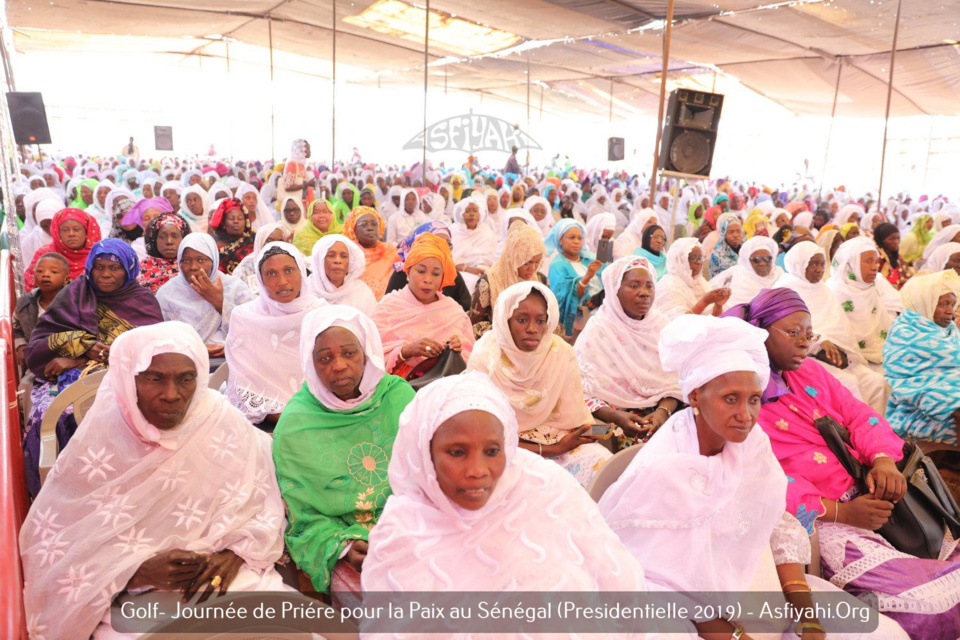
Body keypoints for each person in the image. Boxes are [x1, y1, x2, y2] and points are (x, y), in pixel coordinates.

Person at [599, 313, 908, 640]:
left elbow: (779, 528)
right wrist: (738, 637)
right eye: (730, 399)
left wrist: (808, 619)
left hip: (767, 597)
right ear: (694, 396)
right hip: (692, 620)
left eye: (755, 400)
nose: (746, 416)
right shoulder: (665, 470)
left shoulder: (752, 447)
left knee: (885, 634)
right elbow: (673, 592)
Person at [21, 322, 289, 640]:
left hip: (227, 582)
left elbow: (262, 501)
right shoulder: (101, 438)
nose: (172, 395)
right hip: (131, 600)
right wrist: (135, 573)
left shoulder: (218, 420)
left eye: (186, 379)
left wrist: (232, 558)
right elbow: (56, 549)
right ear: (129, 379)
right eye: (155, 378)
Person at [361, 372, 658, 628]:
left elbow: (613, 581)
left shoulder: (541, 484)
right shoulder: (402, 533)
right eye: (457, 452)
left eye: (492, 451)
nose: (477, 471)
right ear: (424, 453)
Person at [750, 287, 960, 639]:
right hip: (828, 519)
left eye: (809, 333)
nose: (804, 342)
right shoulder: (748, 395)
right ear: (759, 332)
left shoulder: (811, 374)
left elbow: (861, 415)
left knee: (942, 555)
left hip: (877, 494)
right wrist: (843, 514)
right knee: (926, 604)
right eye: (792, 332)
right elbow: (764, 480)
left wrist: (882, 461)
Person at [273, 305, 415, 594]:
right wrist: (344, 546)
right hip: (345, 539)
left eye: (349, 353)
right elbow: (303, 515)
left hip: (410, 527)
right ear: (310, 363)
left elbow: (429, 479)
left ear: (366, 353)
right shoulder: (297, 423)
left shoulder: (399, 398)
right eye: (324, 358)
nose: (337, 365)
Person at [22, 239, 163, 497]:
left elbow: (151, 353)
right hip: (66, 380)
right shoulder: (76, 292)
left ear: (129, 269)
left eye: (114, 267)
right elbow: (37, 347)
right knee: (51, 414)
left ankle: (125, 492)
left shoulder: (143, 302)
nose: (105, 274)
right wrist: (83, 345)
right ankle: (59, 494)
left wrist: (82, 359)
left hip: (126, 378)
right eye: (99, 267)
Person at [466, 281, 611, 487]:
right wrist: (553, 450)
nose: (533, 329)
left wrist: (580, 435)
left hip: (558, 438)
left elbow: (572, 415)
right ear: (505, 320)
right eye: (522, 320)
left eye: (541, 321)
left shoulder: (560, 352)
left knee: (600, 461)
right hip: (505, 449)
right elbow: (481, 435)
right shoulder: (486, 357)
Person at [575, 256, 682, 446]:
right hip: (613, 420)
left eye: (649, 286)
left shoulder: (661, 326)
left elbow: (676, 382)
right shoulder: (598, 330)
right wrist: (617, 416)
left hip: (660, 413)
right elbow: (580, 393)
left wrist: (662, 412)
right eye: (634, 286)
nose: (644, 293)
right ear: (615, 290)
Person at [776, 242, 889, 413]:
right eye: (813, 263)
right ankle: (855, 434)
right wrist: (819, 342)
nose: (819, 269)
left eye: (822, 263)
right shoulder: (784, 291)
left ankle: (877, 431)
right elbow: (786, 334)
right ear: (799, 264)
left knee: (877, 383)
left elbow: (841, 329)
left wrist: (839, 348)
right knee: (849, 384)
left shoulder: (823, 290)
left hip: (839, 356)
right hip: (805, 359)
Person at [225, 242, 324, 429]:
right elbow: (244, 381)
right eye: (271, 274)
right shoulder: (245, 317)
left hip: (321, 413)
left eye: (289, 270)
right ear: (260, 279)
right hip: (265, 422)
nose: (282, 281)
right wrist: (292, 419)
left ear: (301, 272)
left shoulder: (321, 313)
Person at [372, 233, 474, 377]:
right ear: (408, 272)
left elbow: (471, 359)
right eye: (421, 271)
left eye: (436, 274)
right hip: (399, 387)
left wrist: (456, 351)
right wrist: (406, 351)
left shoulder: (454, 312)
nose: (428, 280)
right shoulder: (387, 307)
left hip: (445, 384)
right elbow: (370, 358)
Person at [883, 271, 960, 443]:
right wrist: (954, 401)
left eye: (953, 304)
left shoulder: (948, 330)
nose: (950, 311)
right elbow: (916, 386)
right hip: (918, 416)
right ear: (925, 303)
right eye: (944, 304)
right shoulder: (905, 334)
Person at [156, 233, 254, 358]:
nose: (193, 267)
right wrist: (194, 349)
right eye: (186, 260)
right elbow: (160, 339)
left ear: (213, 261)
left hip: (232, 358)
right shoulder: (167, 293)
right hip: (184, 360)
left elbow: (252, 331)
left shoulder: (235, 288)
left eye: (201, 260)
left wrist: (220, 303)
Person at [469, 223, 546, 340]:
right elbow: (474, 326)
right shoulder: (489, 282)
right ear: (513, 257)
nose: (533, 269)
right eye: (527, 262)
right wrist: (511, 332)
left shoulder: (539, 280)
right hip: (497, 343)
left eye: (537, 262)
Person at [826, 236, 894, 367]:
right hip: (851, 357)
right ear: (852, 263)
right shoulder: (836, 291)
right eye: (869, 261)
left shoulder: (871, 288)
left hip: (879, 351)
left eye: (876, 261)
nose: (875, 267)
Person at [385, 222, 472, 311]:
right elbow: (390, 308)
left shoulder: (452, 274)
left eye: (448, 244)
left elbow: (466, 307)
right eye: (421, 271)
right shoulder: (402, 273)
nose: (444, 249)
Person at [547, 219, 603, 338]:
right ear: (561, 240)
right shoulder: (558, 265)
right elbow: (564, 298)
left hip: (602, 305)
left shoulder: (589, 259)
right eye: (572, 238)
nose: (577, 242)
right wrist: (587, 277)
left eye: (579, 238)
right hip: (580, 315)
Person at [24, 208, 102, 290]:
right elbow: (31, 285)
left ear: (86, 232)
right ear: (58, 233)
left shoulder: (99, 255)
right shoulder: (45, 254)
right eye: (65, 230)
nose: (71, 234)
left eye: (76, 229)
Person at [13, 253, 69, 368]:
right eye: (40, 271)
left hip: (68, 361)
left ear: (66, 279)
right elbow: (16, 328)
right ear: (33, 276)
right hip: (36, 363)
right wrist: (21, 346)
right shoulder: (25, 302)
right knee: (25, 385)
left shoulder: (75, 302)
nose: (46, 275)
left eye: (54, 272)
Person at [653, 237, 730, 319]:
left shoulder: (700, 281)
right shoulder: (669, 285)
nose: (699, 262)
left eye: (700, 258)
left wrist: (718, 305)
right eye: (693, 258)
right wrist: (705, 302)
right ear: (680, 260)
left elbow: (713, 318)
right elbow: (678, 323)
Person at [308, 234, 377, 316]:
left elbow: (372, 324)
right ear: (320, 261)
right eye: (331, 255)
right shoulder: (307, 290)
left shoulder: (361, 291)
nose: (338, 260)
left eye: (344, 256)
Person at [343, 206, 399, 300]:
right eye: (363, 225)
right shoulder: (348, 253)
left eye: (374, 224)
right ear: (354, 229)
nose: (370, 228)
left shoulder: (391, 251)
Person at [712, 236, 784, 307]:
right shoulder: (736, 275)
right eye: (757, 259)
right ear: (747, 261)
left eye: (767, 259)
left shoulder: (779, 275)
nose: (763, 263)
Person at [450, 198, 497, 294]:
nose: (471, 214)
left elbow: (488, 261)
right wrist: (466, 269)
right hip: (455, 272)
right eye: (467, 211)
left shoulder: (486, 232)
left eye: (475, 211)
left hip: (480, 273)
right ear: (461, 214)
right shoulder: (453, 231)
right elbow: (449, 260)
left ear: (479, 215)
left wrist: (477, 270)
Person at [137, 212, 189, 294]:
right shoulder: (140, 268)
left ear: (184, 239)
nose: (169, 242)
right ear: (154, 240)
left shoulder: (191, 267)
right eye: (163, 236)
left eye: (175, 236)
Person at [232, 222, 287, 294]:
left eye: (280, 241)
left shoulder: (294, 261)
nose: (275, 245)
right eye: (270, 241)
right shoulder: (246, 267)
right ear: (260, 242)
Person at [209, 197, 254, 275]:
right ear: (224, 223)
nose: (236, 221)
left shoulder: (252, 242)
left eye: (240, 219)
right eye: (231, 218)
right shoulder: (212, 244)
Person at [873, 222, 912, 289]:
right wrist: (898, 283)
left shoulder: (896, 256)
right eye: (892, 239)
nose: (896, 242)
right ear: (882, 240)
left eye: (898, 238)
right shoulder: (878, 257)